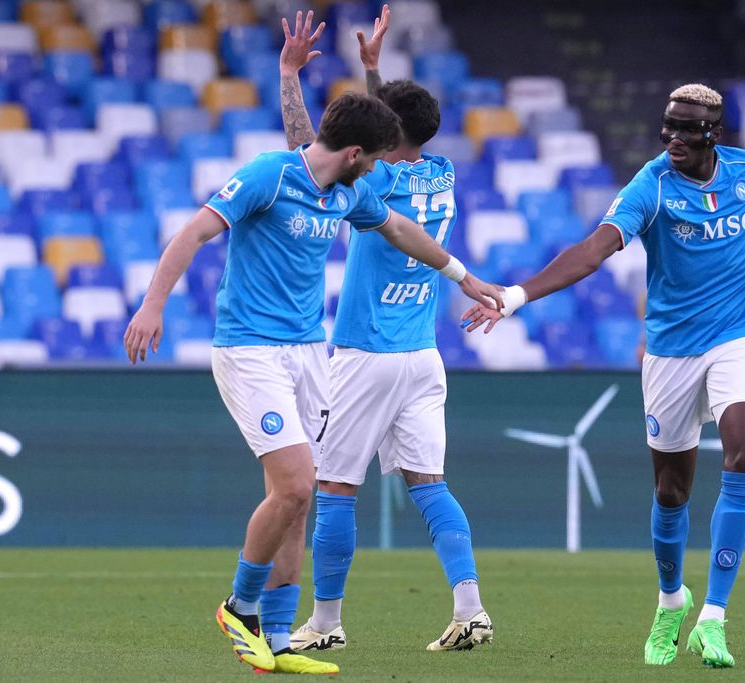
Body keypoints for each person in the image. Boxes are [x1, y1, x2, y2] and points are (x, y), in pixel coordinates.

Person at [123, 35, 502, 673]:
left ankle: (278, 639)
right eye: (372, 159)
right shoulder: (269, 175)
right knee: (303, 484)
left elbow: (400, 227)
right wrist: (153, 304)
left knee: (299, 498)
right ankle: (241, 607)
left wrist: (463, 277)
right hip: (250, 349)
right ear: (357, 155)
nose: (378, 169)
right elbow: (194, 230)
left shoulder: (347, 191)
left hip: (309, 352)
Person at [461, 84, 745, 669]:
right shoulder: (651, 186)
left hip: (737, 336)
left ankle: (713, 618)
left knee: (742, 455)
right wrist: (514, 297)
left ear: (714, 133)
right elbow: (592, 251)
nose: (672, 137)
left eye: (686, 128)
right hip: (670, 351)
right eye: (668, 126)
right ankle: (670, 602)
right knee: (670, 491)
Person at [276, 6, 493, 654]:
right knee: (430, 484)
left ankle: (325, 622)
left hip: (366, 353)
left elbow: (313, 152)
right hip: (423, 355)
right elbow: (390, 133)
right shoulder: (441, 173)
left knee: (336, 489)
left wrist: (291, 76)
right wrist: (375, 72)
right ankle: (471, 608)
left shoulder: (373, 183)